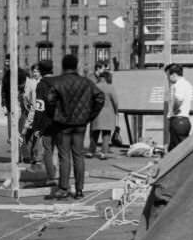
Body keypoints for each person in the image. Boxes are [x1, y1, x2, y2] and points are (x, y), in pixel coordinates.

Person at [44, 54, 105, 200]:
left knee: (64, 156)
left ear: (63, 66)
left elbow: (49, 101)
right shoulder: (86, 82)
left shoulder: (57, 82)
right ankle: (79, 190)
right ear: (76, 65)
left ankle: (63, 188)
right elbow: (100, 98)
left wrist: (55, 115)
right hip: (80, 125)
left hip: (62, 125)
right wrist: (89, 116)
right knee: (79, 156)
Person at [21, 59, 58, 187]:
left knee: (48, 150)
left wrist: (36, 126)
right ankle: (61, 177)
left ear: (41, 71)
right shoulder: (59, 82)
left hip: (47, 122)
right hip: (61, 121)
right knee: (61, 151)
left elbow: (39, 107)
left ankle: (51, 177)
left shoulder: (41, 85)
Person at [88, 61, 119, 160]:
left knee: (94, 134)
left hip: (95, 113)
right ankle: (103, 153)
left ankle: (90, 151)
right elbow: (115, 101)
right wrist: (116, 111)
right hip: (107, 113)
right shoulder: (110, 87)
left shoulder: (94, 86)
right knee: (106, 134)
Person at [164, 63, 193, 151]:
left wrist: (174, 111)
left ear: (174, 75)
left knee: (179, 151)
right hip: (183, 120)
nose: (167, 78)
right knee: (174, 150)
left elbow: (178, 100)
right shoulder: (187, 84)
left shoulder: (179, 84)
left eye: (168, 75)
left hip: (178, 120)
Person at [1, 53, 28, 144]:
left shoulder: (22, 73)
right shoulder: (6, 74)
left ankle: (22, 157)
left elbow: (26, 90)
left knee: (20, 133)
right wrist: (4, 104)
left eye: (8, 61)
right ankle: (16, 157)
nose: (6, 63)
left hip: (21, 107)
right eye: (5, 61)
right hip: (10, 107)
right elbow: (3, 90)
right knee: (12, 136)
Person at [21, 62, 43, 164]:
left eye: (37, 71)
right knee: (28, 134)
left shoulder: (43, 82)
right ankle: (28, 156)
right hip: (31, 110)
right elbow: (25, 95)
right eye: (33, 71)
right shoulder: (29, 82)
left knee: (38, 135)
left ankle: (37, 157)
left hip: (40, 111)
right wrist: (27, 103)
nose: (35, 73)